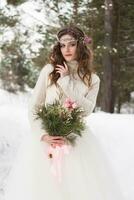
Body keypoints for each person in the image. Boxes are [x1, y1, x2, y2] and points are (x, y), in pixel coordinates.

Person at [4, 25, 124, 200]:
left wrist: (67, 81)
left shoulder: (93, 79)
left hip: (75, 141)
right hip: (45, 141)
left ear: (80, 46)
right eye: (62, 45)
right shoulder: (49, 71)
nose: (66, 49)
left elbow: (87, 110)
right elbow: (34, 106)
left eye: (72, 44)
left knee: (76, 190)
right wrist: (42, 134)